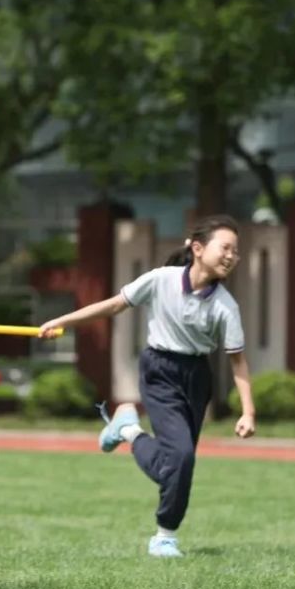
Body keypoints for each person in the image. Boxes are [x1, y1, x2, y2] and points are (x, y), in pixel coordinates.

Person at [38, 214, 256, 558]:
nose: (231, 256)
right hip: (160, 371)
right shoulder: (160, 280)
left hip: (196, 377)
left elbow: (238, 361)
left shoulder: (226, 307)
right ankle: (164, 536)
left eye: (236, 251)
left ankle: (128, 431)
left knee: (180, 462)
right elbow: (113, 305)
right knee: (181, 457)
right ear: (198, 248)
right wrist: (62, 320)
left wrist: (248, 411)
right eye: (225, 247)